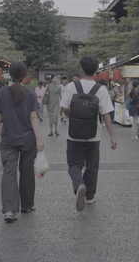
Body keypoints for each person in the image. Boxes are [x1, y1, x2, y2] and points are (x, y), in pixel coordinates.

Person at [60, 57, 117, 212]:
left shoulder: (71, 86)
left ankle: (79, 184)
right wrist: (112, 137)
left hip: (74, 135)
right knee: (92, 166)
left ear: (81, 69)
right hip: (94, 136)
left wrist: (74, 114)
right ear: (96, 71)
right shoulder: (101, 89)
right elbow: (106, 115)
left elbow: (64, 108)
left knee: (73, 164)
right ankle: (90, 196)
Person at [0, 62, 44, 223]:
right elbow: (33, 117)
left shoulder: (2, 92)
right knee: (27, 172)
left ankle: (9, 210)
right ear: (24, 75)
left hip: (8, 139)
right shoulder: (29, 94)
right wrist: (39, 139)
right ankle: (27, 205)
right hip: (28, 139)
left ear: (10, 74)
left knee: (9, 172)